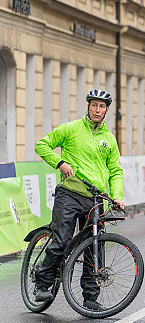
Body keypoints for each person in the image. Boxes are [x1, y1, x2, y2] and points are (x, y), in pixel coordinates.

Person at [33, 89, 125, 311]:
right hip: (69, 194)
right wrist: (60, 163)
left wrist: (117, 196)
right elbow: (42, 145)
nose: (97, 110)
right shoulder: (72, 129)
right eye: (94, 105)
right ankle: (41, 284)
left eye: (102, 107)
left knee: (95, 248)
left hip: (95, 199)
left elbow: (115, 170)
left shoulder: (109, 139)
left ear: (106, 110)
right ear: (88, 107)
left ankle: (90, 298)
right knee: (62, 241)